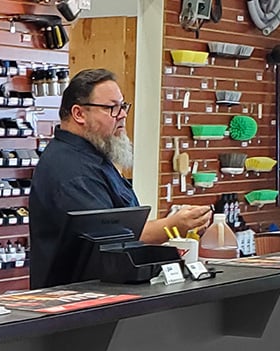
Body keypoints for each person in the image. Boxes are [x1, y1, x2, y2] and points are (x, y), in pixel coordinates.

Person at [29, 68, 211, 288]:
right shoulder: (70, 171)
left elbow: (123, 227)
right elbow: (113, 239)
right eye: (112, 108)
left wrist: (174, 225)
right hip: (78, 301)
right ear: (79, 114)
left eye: (123, 106)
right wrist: (172, 226)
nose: (123, 114)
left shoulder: (92, 157)